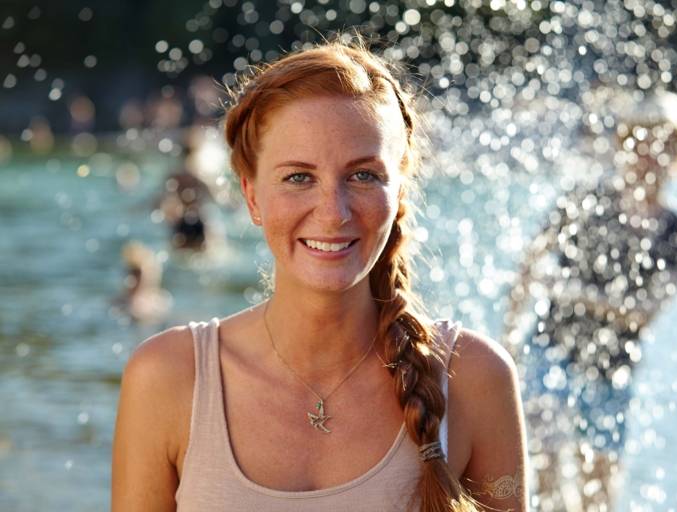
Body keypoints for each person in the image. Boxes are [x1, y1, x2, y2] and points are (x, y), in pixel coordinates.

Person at [112, 37, 528, 512]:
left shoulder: (474, 379)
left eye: (363, 175)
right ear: (251, 197)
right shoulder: (167, 378)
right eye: (298, 177)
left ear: (400, 191)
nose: (333, 213)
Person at [507, 91, 677, 512]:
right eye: (643, 139)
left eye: (664, 142)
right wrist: (506, 344)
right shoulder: (583, 202)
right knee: (546, 454)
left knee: (599, 492)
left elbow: (642, 315)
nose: (651, 152)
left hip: (612, 370)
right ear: (626, 145)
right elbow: (528, 267)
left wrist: (574, 292)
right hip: (550, 348)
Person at [113, 241, 172, 325]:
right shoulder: (117, 303)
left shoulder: (159, 303)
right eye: (129, 272)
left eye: (136, 273)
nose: (131, 278)